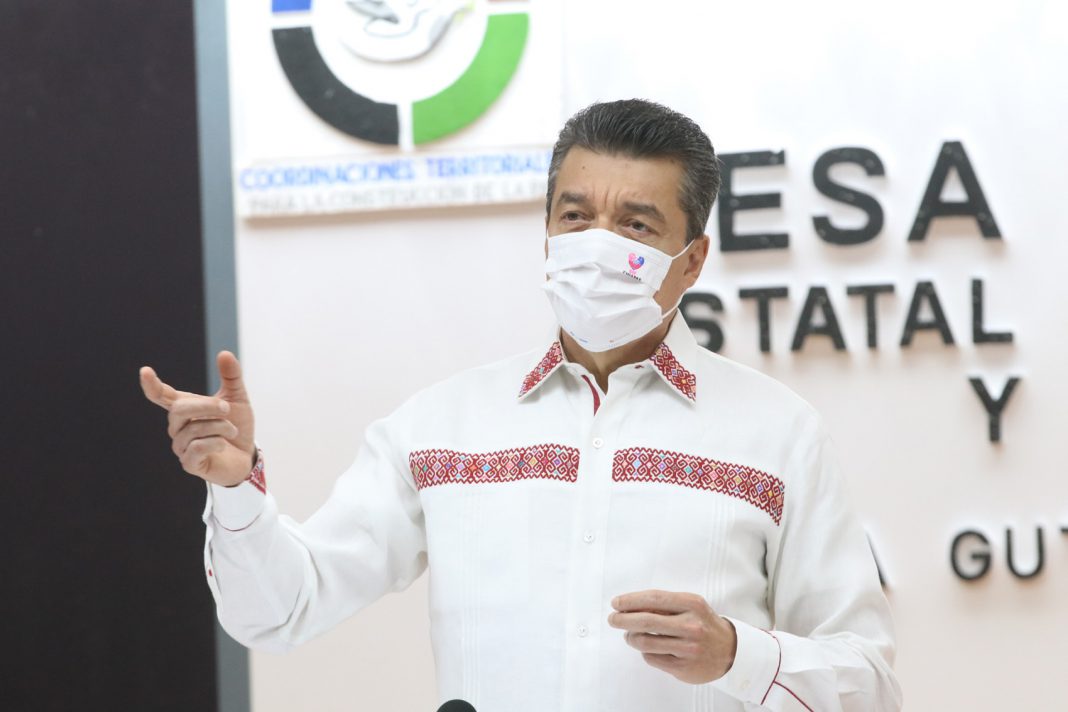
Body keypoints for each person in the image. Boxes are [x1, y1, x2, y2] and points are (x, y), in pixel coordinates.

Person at [141, 99, 901, 711]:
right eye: (575, 216)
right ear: (546, 234)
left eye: (635, 224)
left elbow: (868, 687)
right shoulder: (441, 428)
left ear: (692, 259)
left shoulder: (779, 434)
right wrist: (234, 489)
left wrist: (739, 656)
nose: (596, 243)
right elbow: (279, 611)